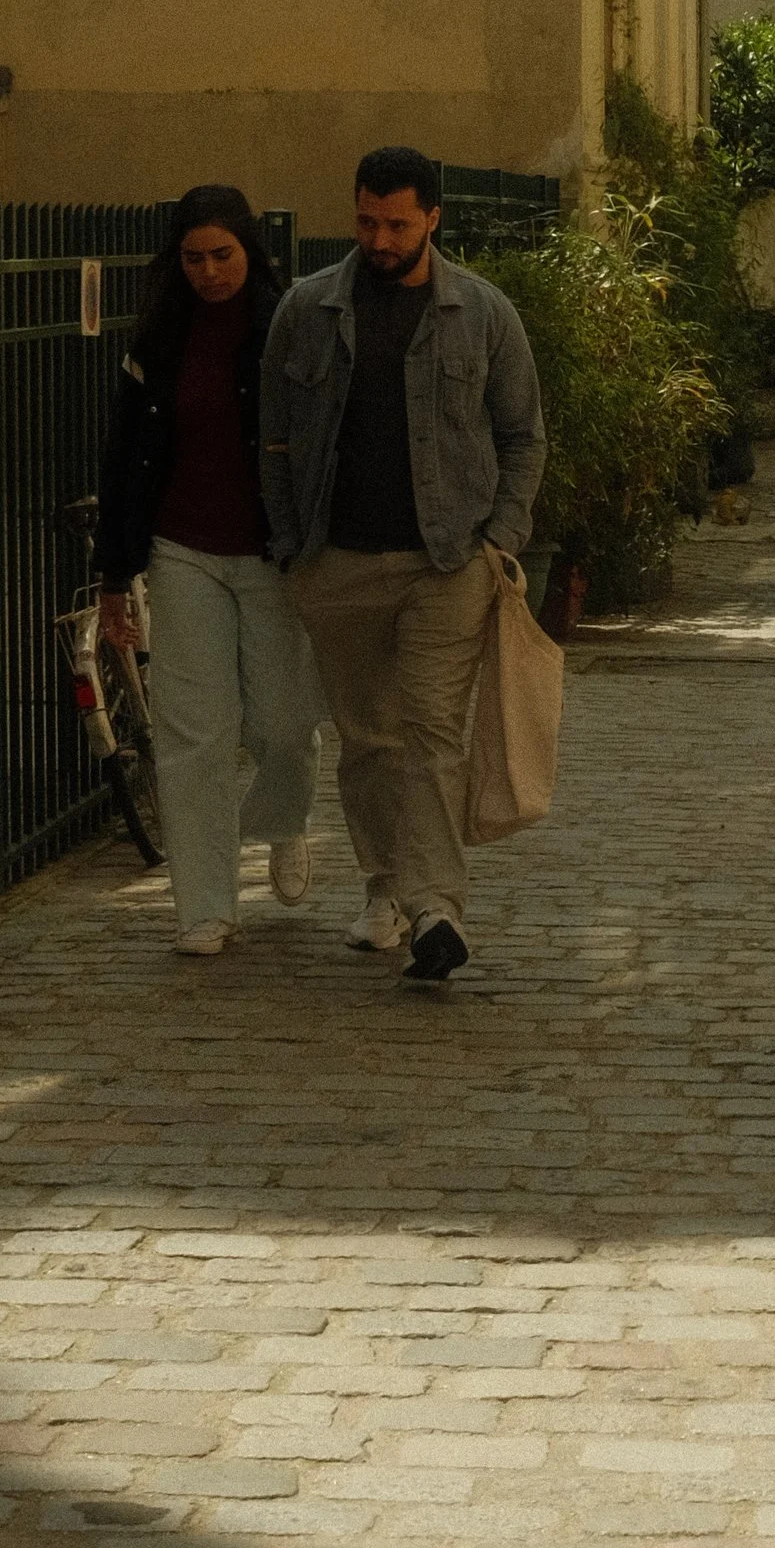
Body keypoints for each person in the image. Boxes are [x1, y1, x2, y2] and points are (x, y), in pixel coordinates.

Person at [261, 145, 546, 984]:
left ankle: (435, 912)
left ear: (433, 219)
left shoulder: (483, 314)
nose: (379, 239)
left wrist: (503, 538)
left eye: (396, 223)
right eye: (365, 221)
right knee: (367, 739)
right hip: (335, 559)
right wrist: (286, 540)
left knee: (425, 735)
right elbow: (275, 439)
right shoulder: (306, 310)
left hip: (447, 560)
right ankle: (385, 885)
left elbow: (523, 433)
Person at [95, 186, 324, 960]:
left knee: (284, 725)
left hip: (270, 549)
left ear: (249, 252)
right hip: (181, 547)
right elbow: (125, 456)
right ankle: (205, 906)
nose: (208, 272)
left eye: (221, 255)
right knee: (195, 734)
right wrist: (113, 573)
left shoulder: (287, 323)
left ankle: (286, 823)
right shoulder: (159, 337)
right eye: (193, 258)